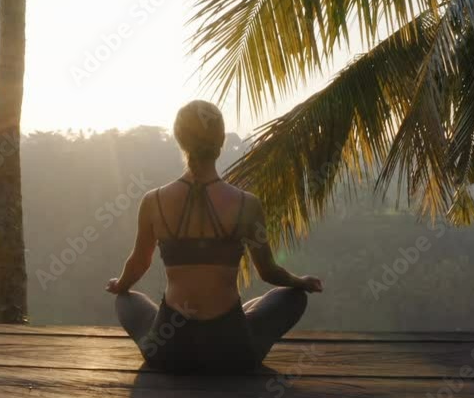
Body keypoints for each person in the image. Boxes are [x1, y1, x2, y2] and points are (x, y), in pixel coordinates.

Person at [105, 100, 323, 373]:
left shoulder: (154, 202)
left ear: (180, 139)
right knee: (293, 297)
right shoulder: (247, 204)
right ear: (220, 141)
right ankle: (243, 323)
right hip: (232, 353)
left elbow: (138, 263)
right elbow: (268, 272)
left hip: (170, 350)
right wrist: (299, 282)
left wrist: (120, 284)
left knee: (126, 299)